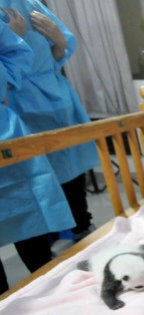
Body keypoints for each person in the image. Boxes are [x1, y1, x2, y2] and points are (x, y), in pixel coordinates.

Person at [0, 0, 99, 241]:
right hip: (21, 102)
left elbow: (56, 54)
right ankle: (51, 237)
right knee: (41, 176)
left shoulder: (30, 3)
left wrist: (60, 40)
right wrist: (15, 40)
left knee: (72, 166)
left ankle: (81, 227)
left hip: (57, 98)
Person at [0, 18, 76, 295]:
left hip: (5, 127)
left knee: (29, 214)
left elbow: (16, 53)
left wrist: (6, 82)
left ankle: (50, 288)